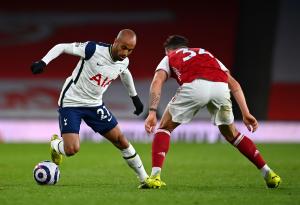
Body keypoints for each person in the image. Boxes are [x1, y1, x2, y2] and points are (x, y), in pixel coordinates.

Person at [141, 35, 281, 189]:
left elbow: (157, 81)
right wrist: (246, 113)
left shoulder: (170, 57)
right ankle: (268, 173)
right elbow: (234, 84)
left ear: (168, 50)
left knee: (165, 128)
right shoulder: (206, 53)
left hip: (194, 86)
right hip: (220, 88)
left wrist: (152, 112)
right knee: (232, 134)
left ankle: (154, 177)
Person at [30, 29, 149, 187]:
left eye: (130, 50)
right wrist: (43, 62)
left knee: (121, 140)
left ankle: (144, 179)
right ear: (115, 41)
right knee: (71, 149)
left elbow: (125, 73)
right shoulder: (92, 49)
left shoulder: (124, 61)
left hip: (94, 104)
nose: (125, 52)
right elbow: (62, 47)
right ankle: (55, 145)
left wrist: (134, 97)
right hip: (72, 102)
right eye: (123, 47)